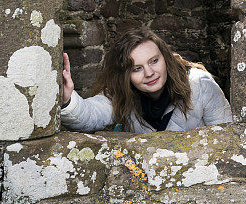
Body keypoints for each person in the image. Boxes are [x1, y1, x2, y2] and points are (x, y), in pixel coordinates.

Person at [61, 27, 232, 132]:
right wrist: (67, 99)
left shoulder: (201, 84)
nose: (149, 73)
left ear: (165, 58)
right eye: (137, 68)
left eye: (154, 61)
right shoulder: (122, 92)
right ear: (125, 75)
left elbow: (226, 136)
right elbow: (91, 115)